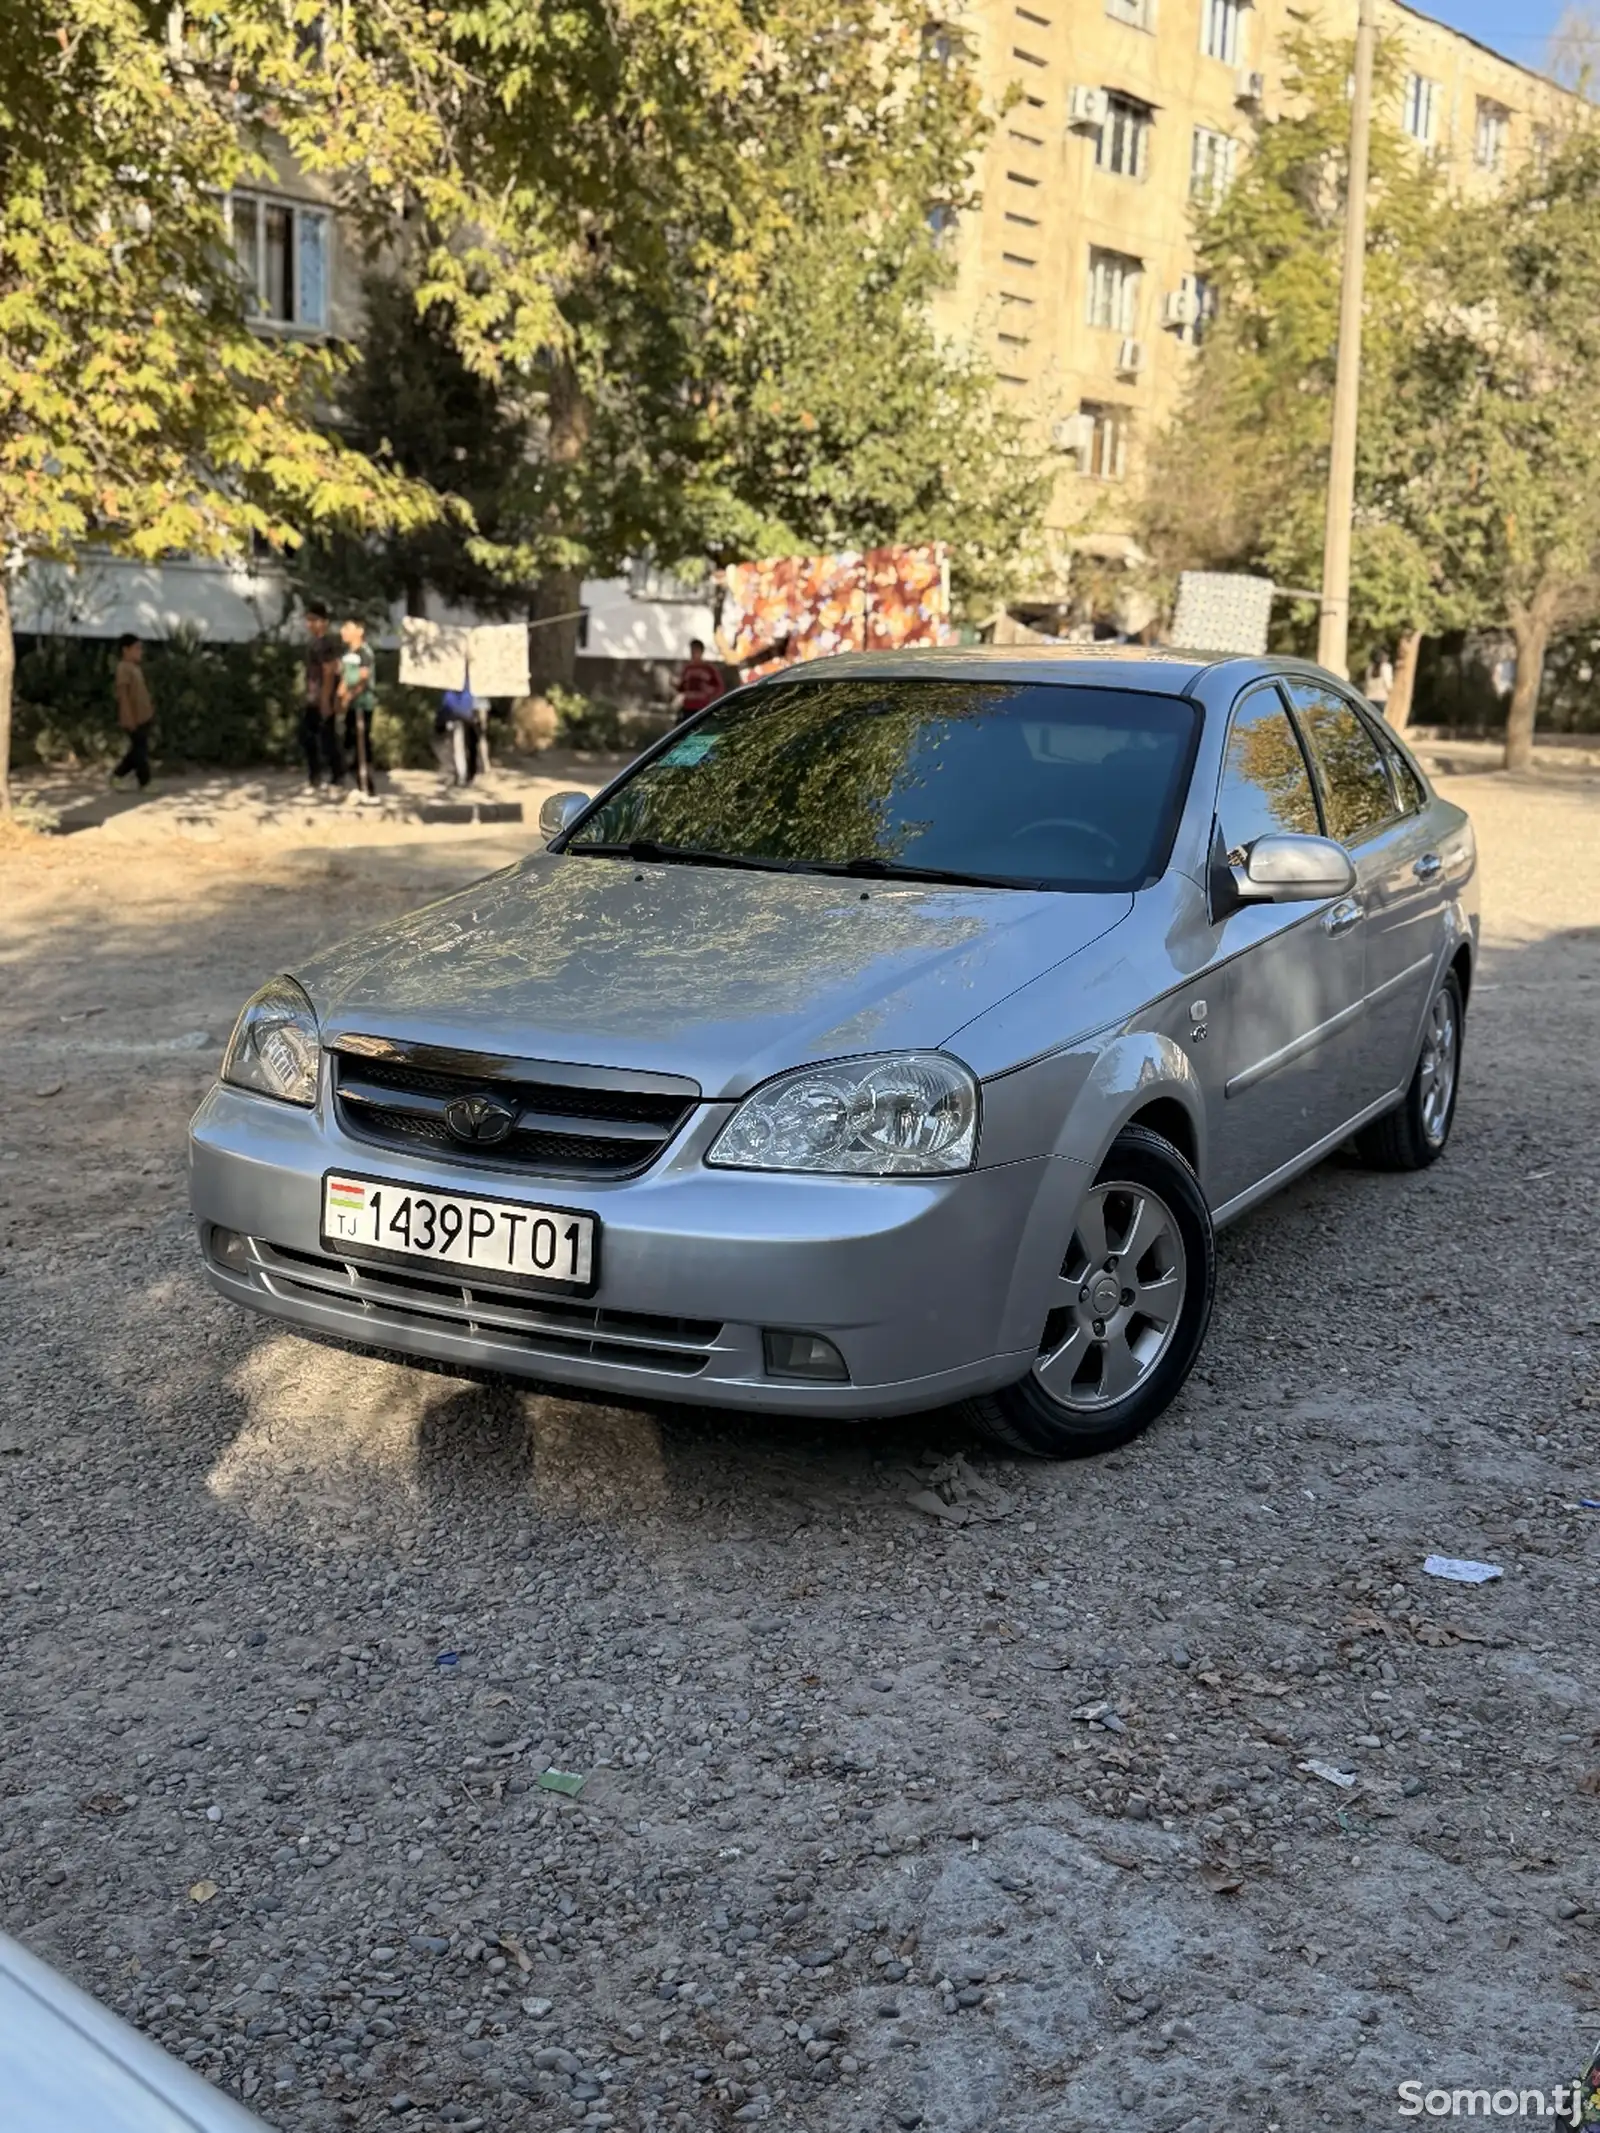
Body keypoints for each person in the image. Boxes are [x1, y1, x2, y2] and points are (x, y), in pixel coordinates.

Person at [300, 602, 344, 792]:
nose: (309, 624)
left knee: (323, 737)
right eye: (308, 620)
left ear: (323, 622)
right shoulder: (314, 643)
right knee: (311, 736)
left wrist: (326, 699)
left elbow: (329, 672)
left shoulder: (326, 644)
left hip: (321, 697)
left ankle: (332, 775)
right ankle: (318, 775)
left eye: (313, 620)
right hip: (313, 696)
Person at [338, 618, 380, 801]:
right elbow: (346, 677)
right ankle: (357, 784)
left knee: (361, 746)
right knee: (349, 744)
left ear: (360, 630)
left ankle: (368, 788)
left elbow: (363, 679)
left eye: (348, 627)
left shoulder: (365, 652)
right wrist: (339, 696)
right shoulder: (348, 653)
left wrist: (349, 695)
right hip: (350, 705)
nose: (343, 631)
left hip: (362, 704)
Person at [110, 633, 154, 789]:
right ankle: (145, 783)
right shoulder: (123, 668)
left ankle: (117, 776)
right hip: (134, 718)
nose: (140, 651)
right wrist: (127, 717)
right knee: (140, 752)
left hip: (144, 716)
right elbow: (123, 695)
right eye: (136, 648)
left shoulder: (135, 668)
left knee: (137, 751)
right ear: (125, 650)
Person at [676, 638, 724, 720]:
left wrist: (709, 691)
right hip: (688, 708)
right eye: (691, 650)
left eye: (695, 650)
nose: (693, 653)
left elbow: (719, 688)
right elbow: (682, 688)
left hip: (702, 707)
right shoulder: (687, 669)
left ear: (701, 652)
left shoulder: (709, 669)